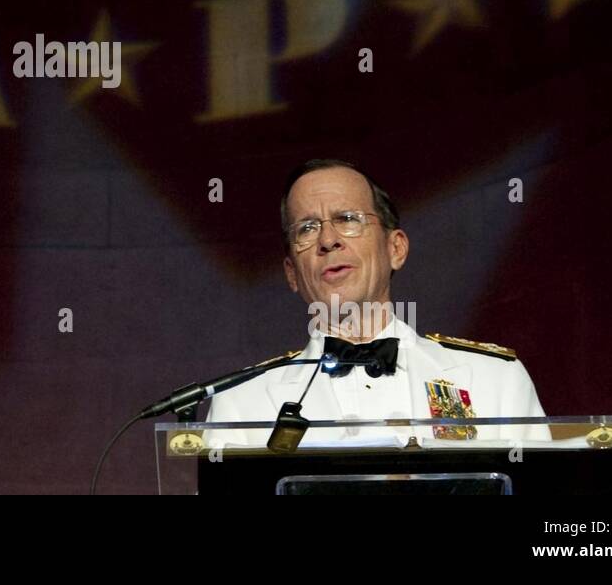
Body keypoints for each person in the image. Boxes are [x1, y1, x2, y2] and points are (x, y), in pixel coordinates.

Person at [205, 159, 548, 448]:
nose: (328, 240)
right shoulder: (241, 404)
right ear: (292, 272)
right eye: (307, 228)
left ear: (395, 248)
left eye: (348, 219)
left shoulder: (495, 380)